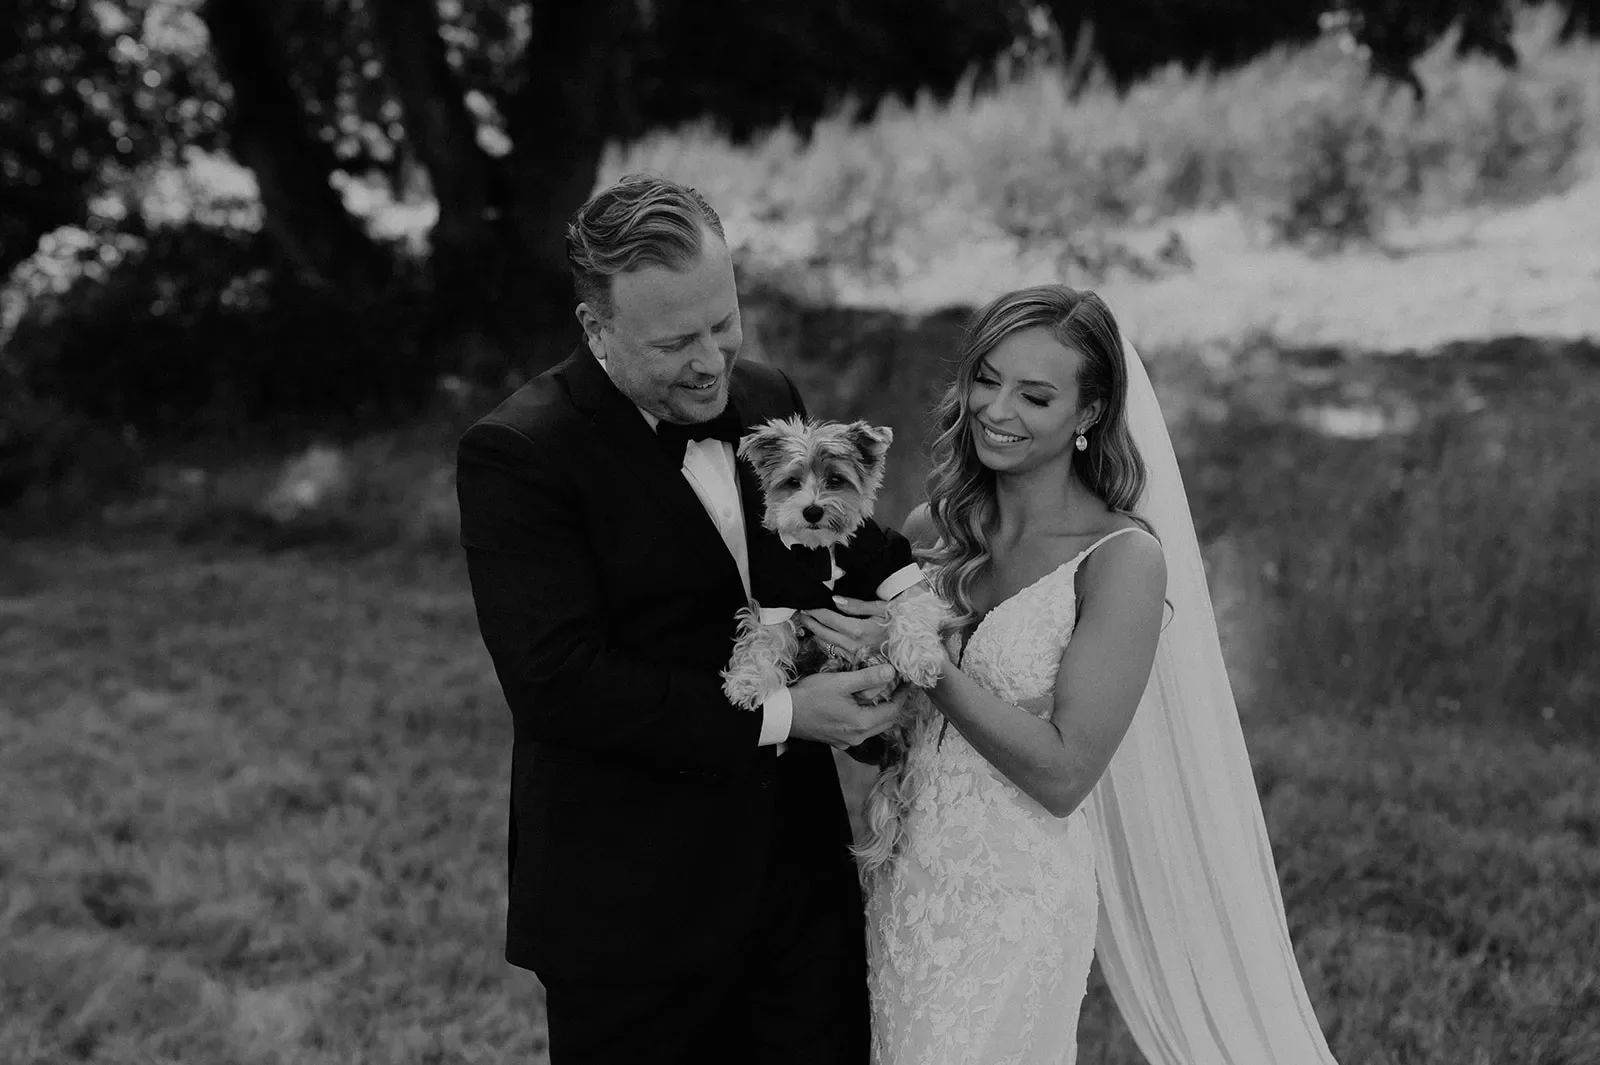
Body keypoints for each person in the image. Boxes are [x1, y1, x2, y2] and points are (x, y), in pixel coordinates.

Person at [454, 173, 916, 1065]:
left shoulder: (767, 391)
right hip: (632, 912)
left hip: (797, 888)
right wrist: (786, 717)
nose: (712, 360)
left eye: (723, 321)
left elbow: (811, 572)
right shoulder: (518, 453)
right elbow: (559, 682)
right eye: (675, 340)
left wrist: (859, 666)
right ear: (596, 328)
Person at [816, 286, 1343, 1064]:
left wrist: (926, 662)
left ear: (1089, 414)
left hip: (1013, 904)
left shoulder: (1122, 560)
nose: (996, 408)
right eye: (986, 378)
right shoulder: (939, 528)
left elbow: (1065, 771)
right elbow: (911, 736)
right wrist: (856, 681)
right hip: (907, 881)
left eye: (1034, 395)